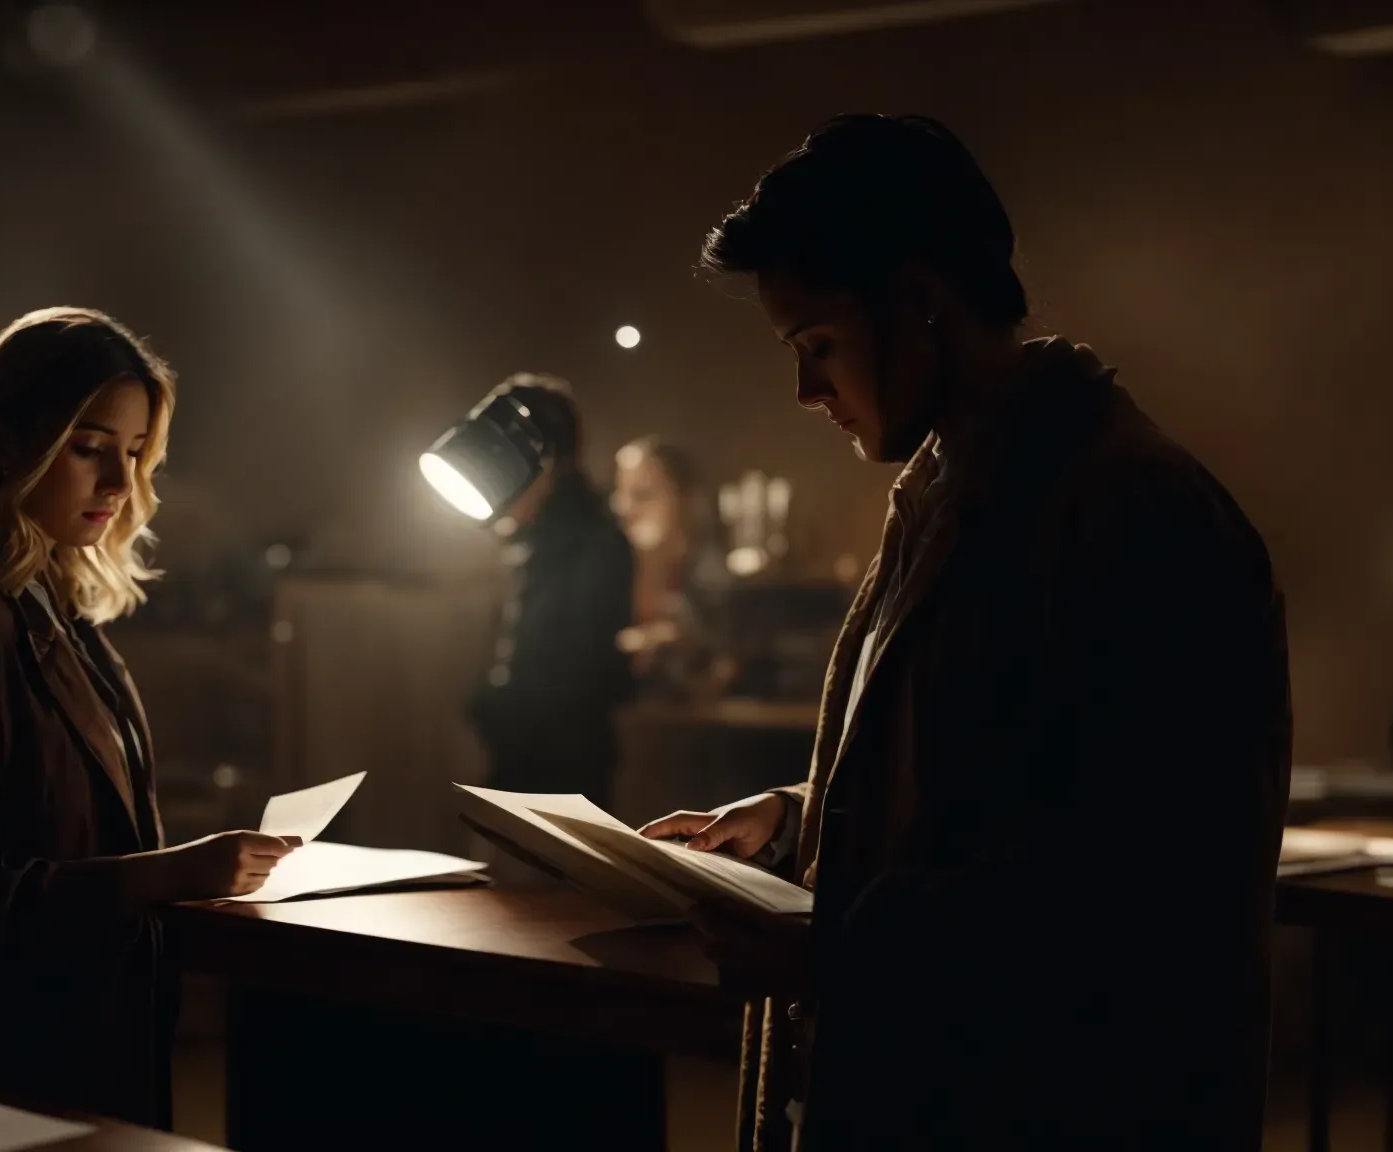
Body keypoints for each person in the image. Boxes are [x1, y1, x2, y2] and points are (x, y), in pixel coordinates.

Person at [641, 115, 1291, 1149]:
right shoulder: (955, 489)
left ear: (919, 303)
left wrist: (837, 950)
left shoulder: (1127, 511)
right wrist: (803, 815)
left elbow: (1137, 872)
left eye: (816, 345)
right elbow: (992, 773)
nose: (805, 390)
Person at [0, 307, 295, 1126]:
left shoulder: (59, 607)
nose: (120, 485)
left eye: (135, 455)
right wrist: (172, 873)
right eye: (89, 447)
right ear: (3, 443)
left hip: (100, 1044)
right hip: (11, 1069)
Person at [466, 373, 635, 810]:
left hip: (565, 773)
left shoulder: (594, 544)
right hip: (514, 761)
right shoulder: (529, 541)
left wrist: (493, 711)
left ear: (549, 461)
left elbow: (574, 671)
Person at [611, 436, 729, 697]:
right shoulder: (610, 578)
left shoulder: (715, 583)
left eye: (643, 494)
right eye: (620, 494)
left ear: (686, 499)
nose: (625, 509)